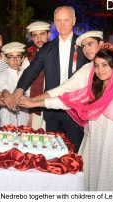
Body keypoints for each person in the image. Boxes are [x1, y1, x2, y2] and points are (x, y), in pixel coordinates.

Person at [19, 44, 113, 190]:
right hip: (96, 146)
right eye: (97, 65)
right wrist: (34, 103)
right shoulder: (95, 90)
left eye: (105, 65)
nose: (100, 70)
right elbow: (66, 101)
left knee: (111, 188)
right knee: (94, 184)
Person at [13, 6, 89, 152]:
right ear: (54, 22)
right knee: (52, 153)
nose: (62, 24)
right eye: (58, 20)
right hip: (51, 110)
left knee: (73, 154)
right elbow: (31, 70)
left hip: (75, 110)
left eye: (66, 20)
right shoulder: (47, 48)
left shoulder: (83, 47)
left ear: (73, 21)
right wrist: (19, 89)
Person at [21, 21, 51, 130]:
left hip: (54, 106)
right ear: (32, 38)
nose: (39, 38)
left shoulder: (58, 55)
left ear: (49, 34)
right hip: (34, 107)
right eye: (35, 35)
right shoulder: (28, 58)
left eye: (42, 34)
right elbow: (23, 85)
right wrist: (28, 113)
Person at [0, 42, 30, 126]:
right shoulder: (3, 74)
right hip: (7, 117)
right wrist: (6, 94)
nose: (15, 60)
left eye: (18, 57)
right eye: (11, 57)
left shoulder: (27, 74)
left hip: (24, 114)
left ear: (23, 59)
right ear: (6, 59)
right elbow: (2, 86)